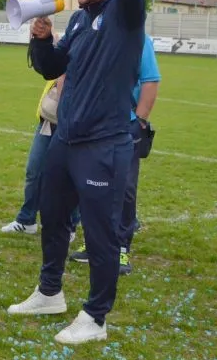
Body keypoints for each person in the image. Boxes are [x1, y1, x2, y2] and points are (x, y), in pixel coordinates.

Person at [7, 0, 146, 346]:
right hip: (65, 139)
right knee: (52, 214)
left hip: (104, 143)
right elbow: (52, 67)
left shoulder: (126, 15)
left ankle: (96, 316)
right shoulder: (84, 22)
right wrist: (41, 39)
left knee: (102, 232)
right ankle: (50, 292)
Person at [68, 44, 161, 276]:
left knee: (125, 189)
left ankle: (120, 247)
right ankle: (93, 243)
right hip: (93, 125)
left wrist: (138, 121)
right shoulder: (98, 36)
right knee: (90, 186)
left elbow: (150, 81)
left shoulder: (139, 39)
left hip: (125, 126)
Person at [1, 76, 64, 236]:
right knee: (34, 170)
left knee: (68, 176)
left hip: (74, 120)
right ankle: (26, 220)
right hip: (49, 118)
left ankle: (68, 224)